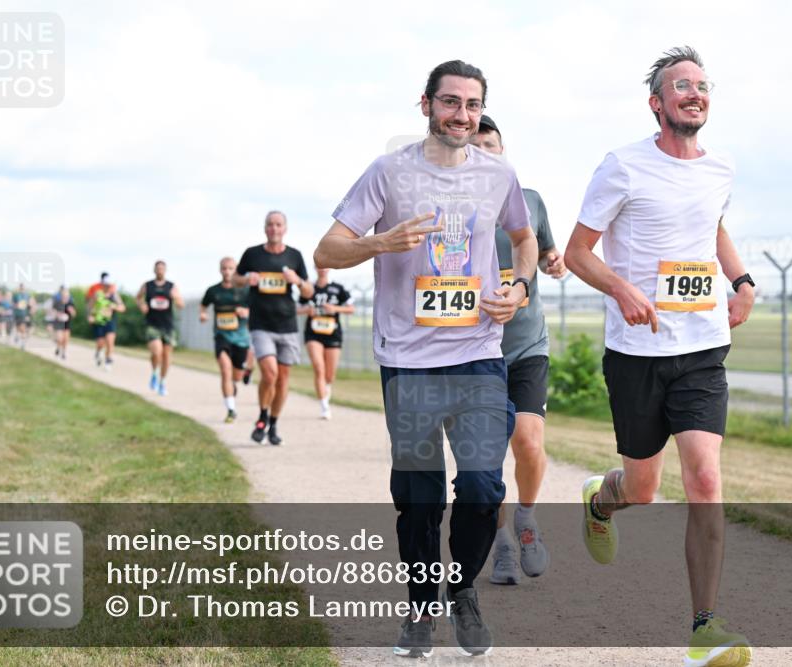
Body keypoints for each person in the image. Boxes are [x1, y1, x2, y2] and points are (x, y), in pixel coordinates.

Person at [314, 59, 537, 658]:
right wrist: (378, 242)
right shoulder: (387, 173)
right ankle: (419, 610)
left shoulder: (499, 175)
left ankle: (459, 588)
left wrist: (517, 288)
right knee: (419, 497)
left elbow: (524, 236)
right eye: (450, 103)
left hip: (478, 356)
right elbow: (327, 249)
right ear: (426, 105)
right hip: (409, 362)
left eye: (471, 104)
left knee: (486, 488)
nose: (461, 115)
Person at [563, 46, 755, 667]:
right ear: (658, 103)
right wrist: (622, 289)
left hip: (701, 348)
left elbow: (713, 224)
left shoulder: (720, 168)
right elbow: (577, 253)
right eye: (682, 86)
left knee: (703, 477)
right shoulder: (622, 166)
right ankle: (602, 500)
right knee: (642, 490)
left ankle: (705, 626)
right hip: (637, 354)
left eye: (702, 85)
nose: (695, 94)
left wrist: (743, 280)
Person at [469, 114, 568, 585]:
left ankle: (526, 517)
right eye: (476, 145)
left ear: (503, 152)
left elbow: (547, 250)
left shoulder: (529, 202)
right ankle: (502, 543)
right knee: (488, 460)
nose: (485, 153)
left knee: (527, 441)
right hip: (475, 350)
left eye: (492, 145)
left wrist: (553, 260)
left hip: (527, 344)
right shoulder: (451, 211)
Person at [234, 210, 314, 446]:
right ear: (265, 228)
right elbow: (236, 279)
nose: (274, 229)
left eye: (278, 224)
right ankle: (262, 417)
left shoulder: (295, 256)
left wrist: (297, 281)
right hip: (261, 324)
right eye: (270, 224)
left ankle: (274, 423)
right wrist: (247, 278)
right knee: (270, 373)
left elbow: (308, 291)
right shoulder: (252, 254)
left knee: (282, 379)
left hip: (287, 324)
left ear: (285, 228)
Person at [201, 257, 255, 423]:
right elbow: (204, 305)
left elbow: (258, 309)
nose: (227, 272)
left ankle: (246, 371)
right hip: (221, 336)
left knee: (236, 377)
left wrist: (246, 312)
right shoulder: (213, 291)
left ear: (236, 270)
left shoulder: (245, 290)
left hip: (241, 338)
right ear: (220, 270)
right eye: (224, 268)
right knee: (225, 370)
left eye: (231, 268)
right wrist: (203, 314)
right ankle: (231, 410)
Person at [298, 268, 354, 419]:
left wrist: (334, 308)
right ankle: (324, 406)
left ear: (329, 268)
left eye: (325, 266)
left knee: (329, 375)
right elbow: (296, 308)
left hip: (332, 333)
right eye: (319, 266)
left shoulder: (337, 288)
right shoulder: (309, 288)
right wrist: (306, 310)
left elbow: (351, 308)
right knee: (319, 367)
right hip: (313, 333)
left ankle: (326, 390)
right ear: (315, 268)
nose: (322, 269)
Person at [137, 260, 185, 396]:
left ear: (165, 270)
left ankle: (162, 382)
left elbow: (181, 305)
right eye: (158, 268)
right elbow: (138, 298)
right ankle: (154, 373)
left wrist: (176, 298)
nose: (160, 271)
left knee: (167, 356)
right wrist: (142, 305)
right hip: (152, 324)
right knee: (157, 352)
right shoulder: (147, 285)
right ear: (154, 270)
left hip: (168, 325)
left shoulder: (172, 286)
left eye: (162, 268)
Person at [86, 272, 126, 371]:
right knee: (100, 342)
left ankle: (108, 360)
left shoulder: (114, 295)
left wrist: (114, 306)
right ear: (102, 285)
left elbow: (122, 307)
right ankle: (98, 352)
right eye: (106, 285)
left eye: (110, 285)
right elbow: (90, 306)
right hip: (99, 321)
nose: (108, 287)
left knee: (110, 341)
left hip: (110, 321)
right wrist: (90, 316)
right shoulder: (97, 294)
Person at [51, 285, 76, 360]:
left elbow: (74, 314)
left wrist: (72, 311)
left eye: (67, 296)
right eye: (64, 296)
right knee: (59, 338)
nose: (66, 297)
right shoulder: (57, 303)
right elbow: (52, 311)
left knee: (65, 339)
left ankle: (64, 353)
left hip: (66, 324)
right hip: (58, 323)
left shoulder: (70, 304)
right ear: (61, 296)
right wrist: (57, 314)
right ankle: (58, 348)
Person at [11, 283, 36, 349]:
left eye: (23, 288)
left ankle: (22, 343)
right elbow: (13, 304)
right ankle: (17, 336)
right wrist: (17, 305)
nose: (22, 289)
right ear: (19, 289)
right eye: (21, 288)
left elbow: (31, 304)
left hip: (25, 315)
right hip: (17, 314)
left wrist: (31, 308)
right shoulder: (16, 295)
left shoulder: (28, 296)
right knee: (19, 328)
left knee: (25, 329)